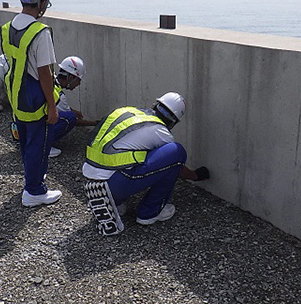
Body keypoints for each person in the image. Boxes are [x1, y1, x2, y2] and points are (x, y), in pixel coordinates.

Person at [82, 92, 209, 236]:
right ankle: (149, 212)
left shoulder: (128, 112)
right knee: (176, 153)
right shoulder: (161, 132)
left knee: (130, 156)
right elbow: (176, 166)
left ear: (155, 105)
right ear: (174, 121)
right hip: (114, 185)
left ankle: (115, 204)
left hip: (90, 181)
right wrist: (195, 176)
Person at [0, 0, 62, 208]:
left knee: (27, 142)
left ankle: (33, 177)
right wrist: (52, 106)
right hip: (36, 99)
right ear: (41, 1)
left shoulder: (9, 28)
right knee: (39, 144)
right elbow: (45, 73)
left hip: (17, 95)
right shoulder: (40, 32)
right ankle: (34, 190)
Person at [48, 56, 98, 158]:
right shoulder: (59, 96)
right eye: (78, 80)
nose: (78, 84)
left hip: (24, 127)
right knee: (69, 118)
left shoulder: (49, 80)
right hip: (35, 131)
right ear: (71, 78)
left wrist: (74, 111)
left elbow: (59, 107)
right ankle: (43, 147)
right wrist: (95, 123)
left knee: (71, 114)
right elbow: (75, 120)